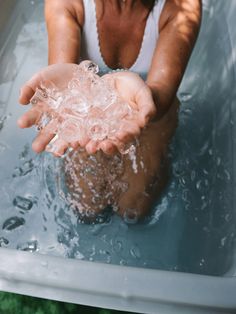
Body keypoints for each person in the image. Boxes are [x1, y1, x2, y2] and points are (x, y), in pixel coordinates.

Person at [17, 0, 202, 222]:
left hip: (152, 109)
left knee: (134, 209)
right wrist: (65, 97)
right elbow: (64, 76)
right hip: (89, 106)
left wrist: (140, 98)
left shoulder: (181, 7)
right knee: (86, 207)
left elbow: (163, 92)